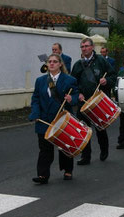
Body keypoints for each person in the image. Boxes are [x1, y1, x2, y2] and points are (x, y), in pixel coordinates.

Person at [29, 54, 79, 184]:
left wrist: (71, 99)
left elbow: (76, 95)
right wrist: (35, 114)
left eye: (55, 62)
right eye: (49, 62)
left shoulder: (69, 80)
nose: (51, 64)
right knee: (45, 149)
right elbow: (35, 99)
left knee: (64, 146)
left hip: (61, 118)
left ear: (60, 64)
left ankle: (68, 170)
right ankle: (42, 175)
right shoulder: (40, 80)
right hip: (44, 118)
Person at [71, 37, 116, 165]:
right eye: (82, 46)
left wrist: (106, 81)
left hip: (98, 101)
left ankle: (104, 150)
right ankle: (86, 157)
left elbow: (113, 75)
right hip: (83, 102)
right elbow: (73, 83)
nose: (84, 49)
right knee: (84, 130)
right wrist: (78, 93)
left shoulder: (101, 61)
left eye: (86, 46)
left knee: (100, 128)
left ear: (92, 47)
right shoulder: (78, 65)